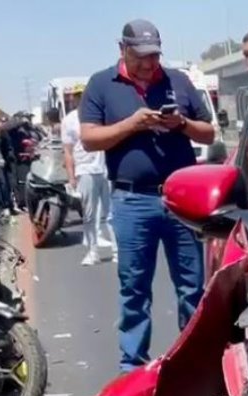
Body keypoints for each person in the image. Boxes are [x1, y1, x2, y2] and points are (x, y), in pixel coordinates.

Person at [79, 19, 216, 372]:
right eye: (140, 56)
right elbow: (90, 138)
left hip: (181, 198)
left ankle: (193, 361)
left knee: (191, 285)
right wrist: (132, 125)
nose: (148, 63)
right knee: (134, 286)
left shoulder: (178, 81)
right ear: (121, 49)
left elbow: (209, 134)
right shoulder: (100, 84)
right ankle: (132, 365)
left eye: (154, 55)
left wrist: (181, 124)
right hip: (131, 201)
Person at [61, 89, 115, 266]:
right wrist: (71, 177)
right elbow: (68, 152)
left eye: (83, 95)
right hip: (84, 170)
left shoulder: (102, 114)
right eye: (77, 96)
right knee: (89, 216)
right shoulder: (69, 121)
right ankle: (93, 252)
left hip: (106, 169)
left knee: (111, 215)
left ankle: (117, 251)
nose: (80, 99)